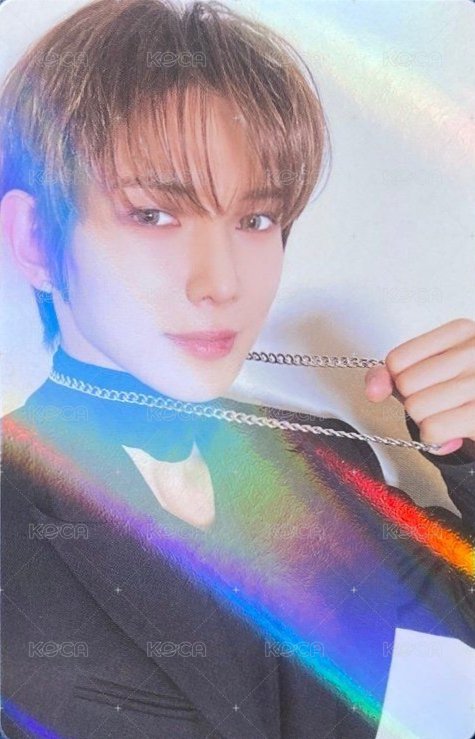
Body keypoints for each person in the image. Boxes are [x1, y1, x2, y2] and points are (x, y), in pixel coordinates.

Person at [1, 1, 474, 737]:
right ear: (34, 237)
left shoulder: (322, 459)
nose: (221, 282)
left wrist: (467, 452)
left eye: (255, 220)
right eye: (154, 214)